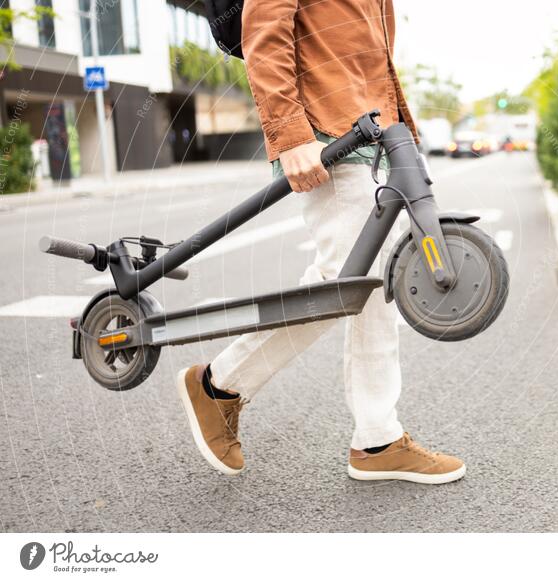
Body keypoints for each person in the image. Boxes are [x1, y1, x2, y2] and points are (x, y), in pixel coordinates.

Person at [175, 0, 465, 484]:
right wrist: (289, 135)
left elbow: (369, 55)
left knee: (374, 287)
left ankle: (378, 438)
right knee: (343, 281)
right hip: (329, 135)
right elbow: (265, 28)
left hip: (375, 133)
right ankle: (219, 386)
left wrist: (402, 137)